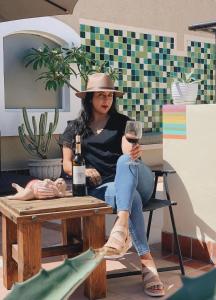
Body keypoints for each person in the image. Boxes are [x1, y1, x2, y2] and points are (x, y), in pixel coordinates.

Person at [59, 73, 164, 297]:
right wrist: (85, 170)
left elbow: (128, 146)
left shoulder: (122, 123)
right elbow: (67, 166)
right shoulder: (75, 128)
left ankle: (120, 227)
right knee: (131, 197)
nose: (106, 100)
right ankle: (147, 265)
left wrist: (132, 151)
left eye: (109, 96)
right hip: (107, 189)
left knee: (125, 162)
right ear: (89, 98)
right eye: (100, 96)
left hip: (137, 177)